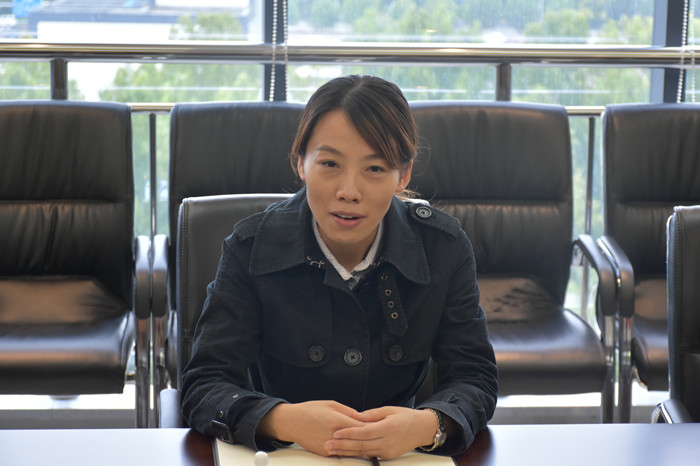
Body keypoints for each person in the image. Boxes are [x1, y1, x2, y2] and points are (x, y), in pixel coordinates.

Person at [181, 75, 498, 460]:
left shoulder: (443, 248)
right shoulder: (251, 248)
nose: (349, 191)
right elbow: (204, 385)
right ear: (301, 163)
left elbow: (475, 377)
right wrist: (282, 420)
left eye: (374, 169)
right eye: (330, 163)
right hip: (285, 454)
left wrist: (427, 425)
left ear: (403, 175)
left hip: (398, 455)